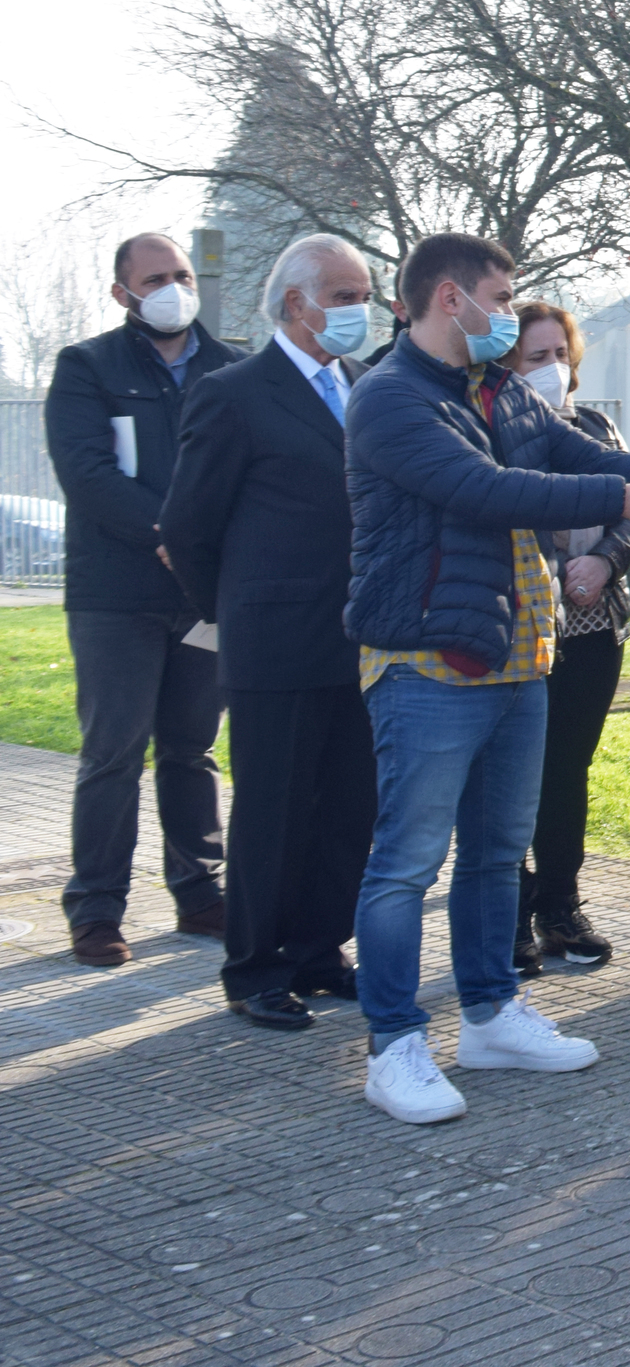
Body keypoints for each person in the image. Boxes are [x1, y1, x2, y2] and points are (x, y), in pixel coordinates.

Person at [346, 231, 630, 1125]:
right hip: (425, 660)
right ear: (451, 299)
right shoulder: (389, 400)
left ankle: (490, 1015)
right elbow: (490, 491)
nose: (508, 309)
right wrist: (622, 502)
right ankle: (393, 1044)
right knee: (406, 861)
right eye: (501, 295)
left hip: (519, 656)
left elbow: (581, 454)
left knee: (497, 852)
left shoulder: (493, 390)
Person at [158, 234, 380, 1031]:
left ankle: (321, 950)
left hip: (365, 638)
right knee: (274, 811)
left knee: (349, 808)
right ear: (298, 303)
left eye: (366, 295)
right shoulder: (235, 392)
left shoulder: (367, 385)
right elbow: (188, 526)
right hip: (275, 639)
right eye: (349, 296)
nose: (364, 310)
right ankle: (256, 966)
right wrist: (231, 606)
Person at [43, 232, 245, 966]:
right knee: (114, 751)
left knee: (192, 750)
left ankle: (201, 892)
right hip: (114, 596)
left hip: (202, 599)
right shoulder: (88, 367)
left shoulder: (232, 368)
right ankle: (97, 908)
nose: (172, 288)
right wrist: (165, 534)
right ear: (123, 293)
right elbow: (86, 471)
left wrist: (204, 551)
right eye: (155, 277)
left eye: (181, 275)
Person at [507, 300, 630, 974]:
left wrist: (605, 560)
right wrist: (557, 569)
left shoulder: (596, 426)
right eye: (537, 358)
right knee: (509, 775)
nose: (553, 369)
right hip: (523, 632)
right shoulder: (490, 430)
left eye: (561, 356)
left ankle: (560, 907)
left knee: (567, 771)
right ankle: (509, 915)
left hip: (595, 629)